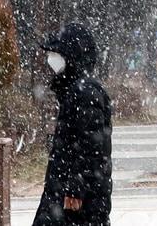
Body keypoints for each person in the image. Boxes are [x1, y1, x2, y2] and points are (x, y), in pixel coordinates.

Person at [34, 23, 113, 226]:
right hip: (65, 189)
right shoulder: (74, 90)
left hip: (75, 197)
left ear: (72, 56)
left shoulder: (83, 93)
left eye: (57, 53)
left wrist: (76, 188)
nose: (52, 58)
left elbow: (91, 147)